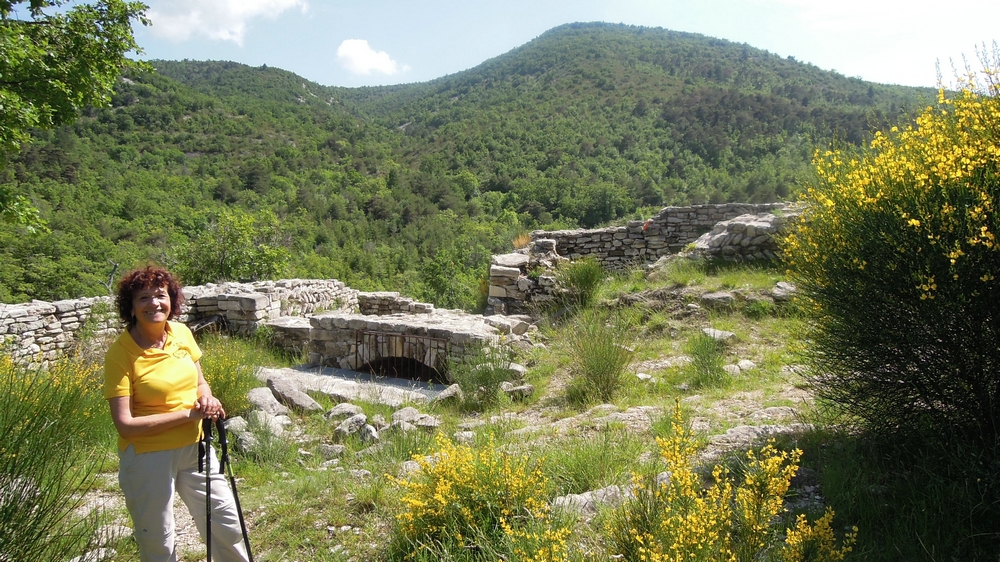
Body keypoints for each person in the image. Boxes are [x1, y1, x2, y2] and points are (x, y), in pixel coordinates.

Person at [104, 266, 249, 562]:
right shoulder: (121, 354)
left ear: (171, 299)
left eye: (160, 295)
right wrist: (188, 415)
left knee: (226, 523)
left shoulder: (181, 333)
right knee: (158, 538)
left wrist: (207, 399)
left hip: (195, 448)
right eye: (143, 298)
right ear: (130, 307)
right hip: (148, 457)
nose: (154, 304)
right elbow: (125, 426)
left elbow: (199, 382)